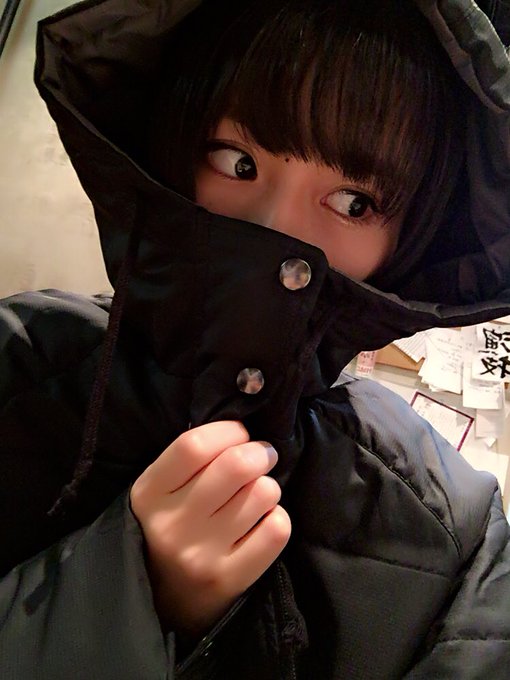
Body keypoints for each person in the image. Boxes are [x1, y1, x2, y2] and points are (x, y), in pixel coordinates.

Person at [1, 0, 510, 677]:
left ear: (412, 240)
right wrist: (125, 596)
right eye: (238, 162)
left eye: (353, 203)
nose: (275, 231)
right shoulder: (16, 362)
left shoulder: (458, 531)